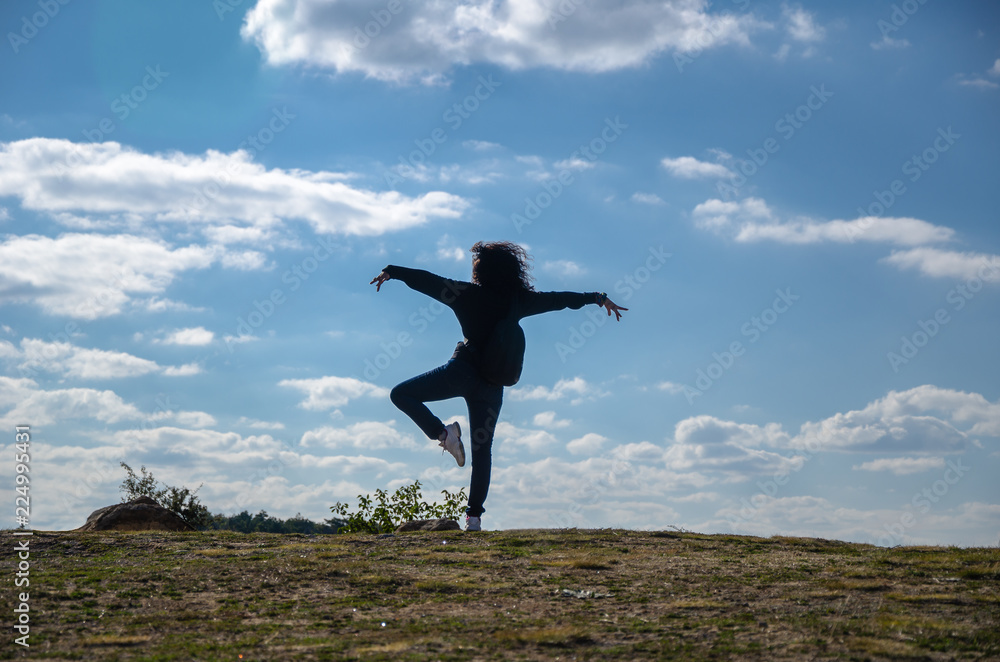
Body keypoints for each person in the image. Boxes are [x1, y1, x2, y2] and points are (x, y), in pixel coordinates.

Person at [370, 241, 627, 531]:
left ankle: (444, 433)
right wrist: (598, 297)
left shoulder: (464, 294)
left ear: (481, 272)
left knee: (401, 394)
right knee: (483, 452)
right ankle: (474, 519)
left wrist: (392, 271)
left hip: (462, 372)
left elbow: (429, 281)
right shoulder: (517, 300)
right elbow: (559, 300)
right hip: (493, 383)